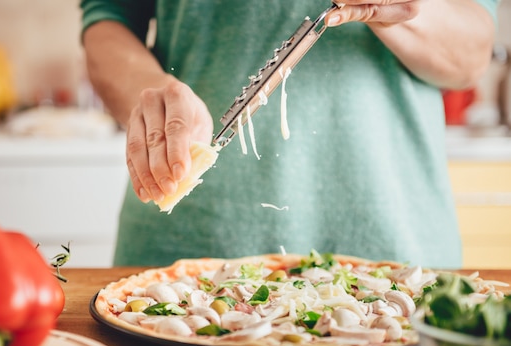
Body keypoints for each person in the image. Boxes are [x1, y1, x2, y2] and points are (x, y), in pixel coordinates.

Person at [80, 0, 498, 268]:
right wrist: (149, 96)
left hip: (395, 251)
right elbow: (107, 21)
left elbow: (471, 53)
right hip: (185, 252)